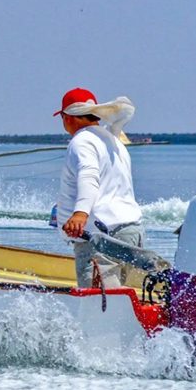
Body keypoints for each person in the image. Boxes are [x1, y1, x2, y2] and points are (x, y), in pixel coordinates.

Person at [54, 87, 144, 289]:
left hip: (102, 237)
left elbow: (89, 176)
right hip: (131, 231)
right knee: (116, 300)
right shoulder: (114, 140)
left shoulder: (82, 141)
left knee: (99, 305)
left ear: (68, 117)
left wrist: (79, 213)